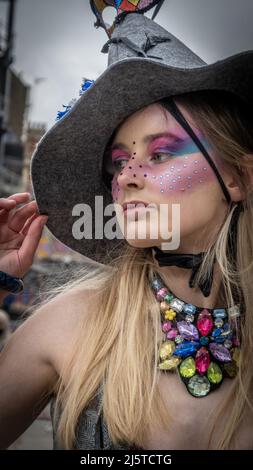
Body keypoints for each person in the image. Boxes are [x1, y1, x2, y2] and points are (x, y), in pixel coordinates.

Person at [0, 0, 253, 450]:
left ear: (236, 178)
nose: (127, 176)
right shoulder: (71, 327)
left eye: (159, 154)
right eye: (118, 162)